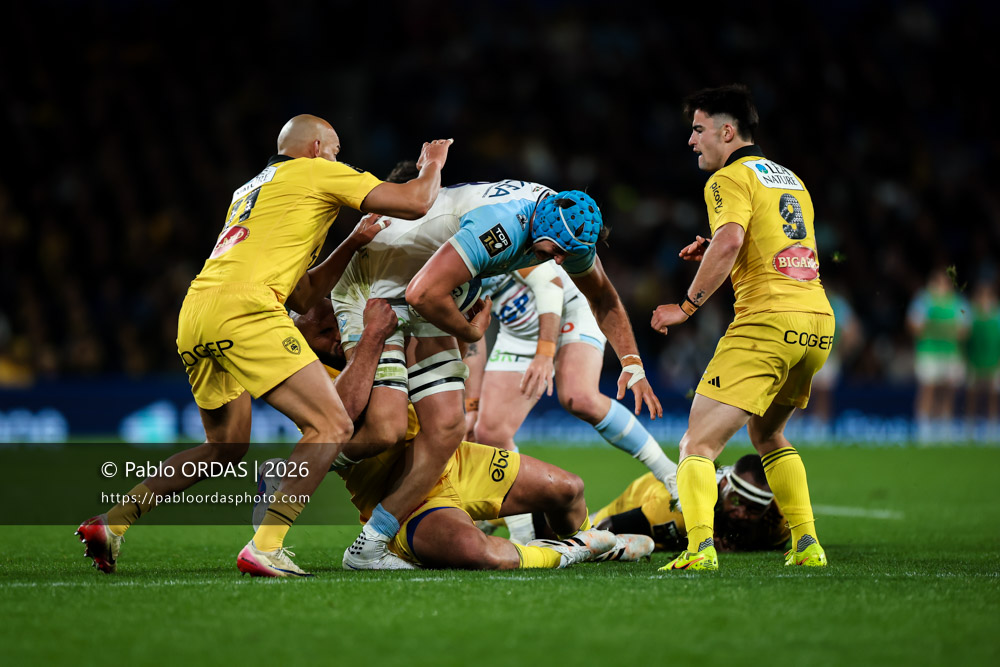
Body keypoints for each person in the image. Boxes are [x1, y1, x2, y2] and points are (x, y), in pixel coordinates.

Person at [77, 115, 452, 576]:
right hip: (247, 310)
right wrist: (431, 164)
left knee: (225, 447)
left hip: (197, 311)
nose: (340, 160)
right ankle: (266, 546)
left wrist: (353, 241)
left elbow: (302, 296)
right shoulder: (315, 171)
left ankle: (112, 523)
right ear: (316, 148)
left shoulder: (252, 191)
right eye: (335, 150)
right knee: (331, 423)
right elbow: (416, 203)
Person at [332, 165, 663, 569]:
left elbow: (603, 298)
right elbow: (422, 293)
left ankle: (370, 542)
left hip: (430, 292)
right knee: (388, 427)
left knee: (454, 426)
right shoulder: (502, 228)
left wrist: (632, 362)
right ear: (537, 228)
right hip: (381, 286)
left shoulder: (567, 229)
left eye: (565, 255)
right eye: (552, 252)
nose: (557, 262)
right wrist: (472, 333)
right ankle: (308, 466)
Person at [245, 298, 652, 572]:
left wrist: (465, 329)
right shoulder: (311, 380)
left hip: (454, 462)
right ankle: (581, 548)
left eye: (338, 324)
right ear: (302, 342)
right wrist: (369, 336)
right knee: (481, 553)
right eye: (323, 334)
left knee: (568, 489)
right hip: (402, 497)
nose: (337, 337)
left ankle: (589, 543)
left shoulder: (381, 327)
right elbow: (350, 419)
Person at [651, 84, 834, 571]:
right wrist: (715, 247)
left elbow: (732, 240)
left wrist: (686, 307)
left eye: (698, 129)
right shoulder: (790, 179)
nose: (691, 141)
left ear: (726, 131)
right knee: (768, 435)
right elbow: (767, 244)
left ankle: (699, 550)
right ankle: (807, 545)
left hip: (766, 322)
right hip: (816, 322)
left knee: (697, 444)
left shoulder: (725, 179)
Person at [463, 261, 677, 544]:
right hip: (518, 330)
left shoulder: (476, 233)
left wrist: (544, 353)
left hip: (567, 305)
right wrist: (471, 406)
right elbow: (472, 339)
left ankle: (669, 474)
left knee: (579, 397)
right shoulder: (435, 266)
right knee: (487, 432)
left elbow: (549, 283)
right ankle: (523, 539)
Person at [592, 454, 789, 554]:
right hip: (644, 494)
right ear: (725, 486)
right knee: (582, 530)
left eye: (754, 510)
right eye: (737, 502)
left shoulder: (778, 520)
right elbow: (606, 527)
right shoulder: (677, 509)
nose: (742, 514)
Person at [964, 281, 1000, 428]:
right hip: (974, 361)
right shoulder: (970, 315)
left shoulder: (998, 316)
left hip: (994, 360)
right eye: (981, 296)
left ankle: (992, 425)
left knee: (993, 395)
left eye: (987, 296)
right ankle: (970, 426)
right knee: (973, 395)